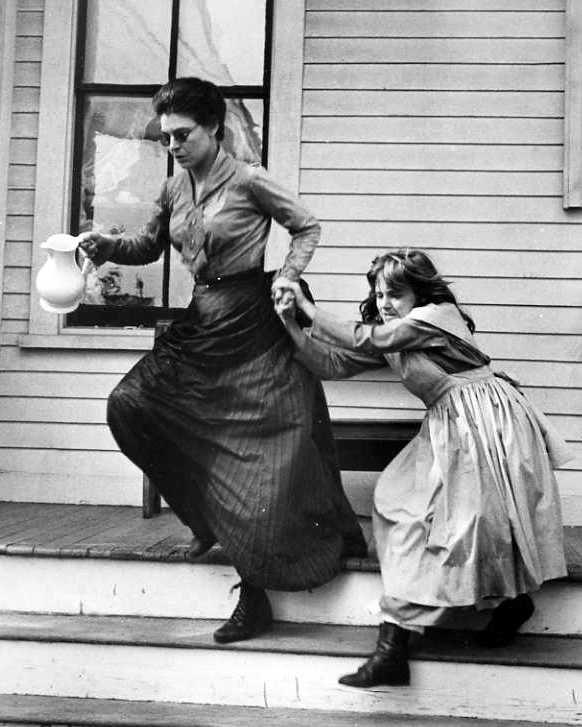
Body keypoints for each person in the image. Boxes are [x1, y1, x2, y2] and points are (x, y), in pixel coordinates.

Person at [79, 76, 366, 645]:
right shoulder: (172, 189)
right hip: (202, 323)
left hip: (253, 325)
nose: (174, 146)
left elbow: (306, 226)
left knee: (254, 460)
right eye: (166, 138)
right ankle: (203, 519)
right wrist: (106, 246)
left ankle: (252, 600)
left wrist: (287, 276)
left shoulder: (251, 181)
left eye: (182, 135)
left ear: (214, 128)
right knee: (129, 405)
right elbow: (149, 246)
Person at [273, 248, 570, 687]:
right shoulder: (396, 334)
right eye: (378, 294)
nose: (385, 302)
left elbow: (363, 339)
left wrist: (307, 306)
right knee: (401, 504)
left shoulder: (437, 316)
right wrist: (288, 323)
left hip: (487, 423)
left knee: (466, 522)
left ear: (420, 291)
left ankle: (424, 636)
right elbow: (334, 363)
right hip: (453, 425)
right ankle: (412, 639)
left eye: (396, 292)